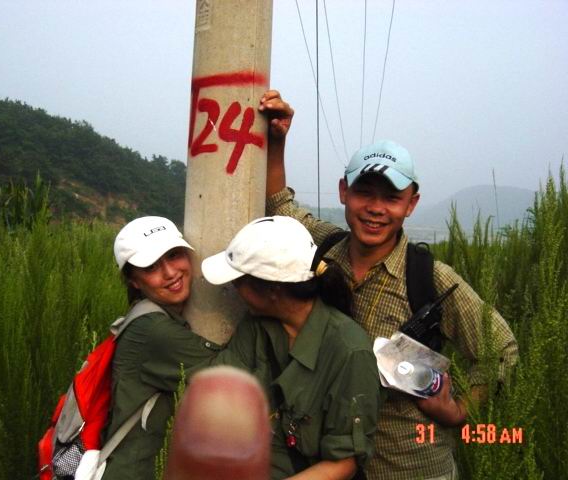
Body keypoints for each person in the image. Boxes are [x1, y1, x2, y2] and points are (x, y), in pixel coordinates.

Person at [258, 91, 519, 480]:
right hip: (330, 461)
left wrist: (458, 410)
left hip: (408, 466)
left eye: (392, 198)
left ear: (411, 204)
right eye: (364, 192)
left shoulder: (431, 278)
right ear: (344, 191)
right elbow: (281, 207)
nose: (376, 208)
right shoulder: (325, 247)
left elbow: (501, 350)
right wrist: (277, 140)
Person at [202, 215, 381, 480]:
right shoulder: (257, 325)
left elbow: (343, 462)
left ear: (272, 290)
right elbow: (220, 385)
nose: (234, 289)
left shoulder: (349, 352)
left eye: (239, 282)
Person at [101, 216, 222, 480]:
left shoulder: (154, 316)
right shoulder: (153, 329)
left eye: (174, 255)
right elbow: (232, 373)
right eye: (151, 267)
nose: (169, 272)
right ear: (134, 281)